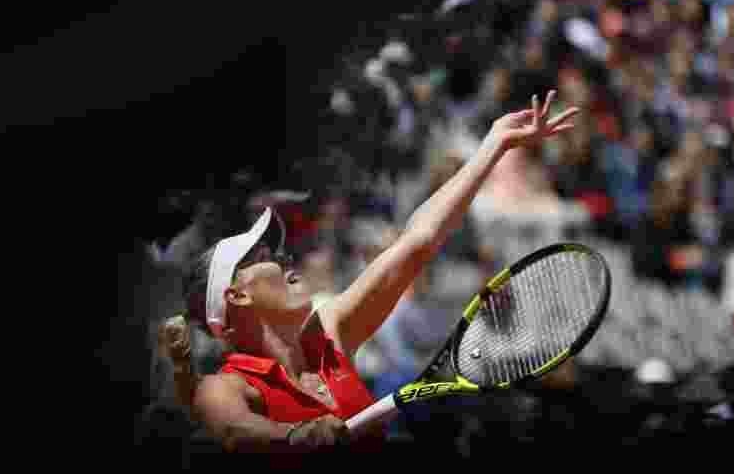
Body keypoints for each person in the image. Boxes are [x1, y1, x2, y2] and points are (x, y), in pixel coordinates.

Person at [172, 91, 580, 453]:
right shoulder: (221, 387)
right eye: (265, 255)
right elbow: (234, 431)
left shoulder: (327, 332)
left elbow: (415, 244)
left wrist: (493, 145)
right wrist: (297, 436)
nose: (285, 260)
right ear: (236, 295)